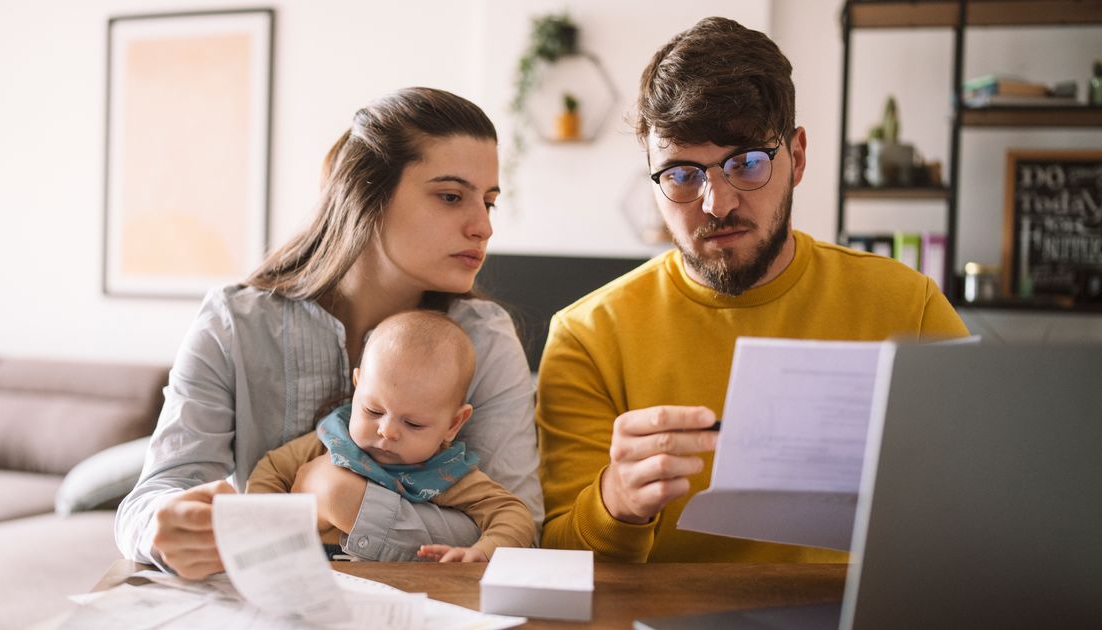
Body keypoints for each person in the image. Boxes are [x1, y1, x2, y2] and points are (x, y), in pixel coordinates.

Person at [536, 17, 969, 563]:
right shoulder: (586, 337)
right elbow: (555, 562)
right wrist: (616, 503)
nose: (717, 204)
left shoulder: (909, 306)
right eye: (682, 174)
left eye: (746, 163)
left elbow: (987, 501)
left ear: (798, 157)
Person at [115, 87, 543, 579]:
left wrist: (343, 499)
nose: (483, 227)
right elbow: (149, 500)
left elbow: (520, 528)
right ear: (366, 196)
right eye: (451, 197)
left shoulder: (485, 339)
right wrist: (162, 526)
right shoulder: (233, 323)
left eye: (489, 202)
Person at [246, 310, 535, 562]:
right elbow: (271, 469)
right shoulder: (333, 439)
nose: (387, 430)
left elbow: (513, 514)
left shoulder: (446, 472)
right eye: (373, 410)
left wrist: (484, 551)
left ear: (453, 424)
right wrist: (262, 530)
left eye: (413, 424)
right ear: (357, 386)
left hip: (399, 586)